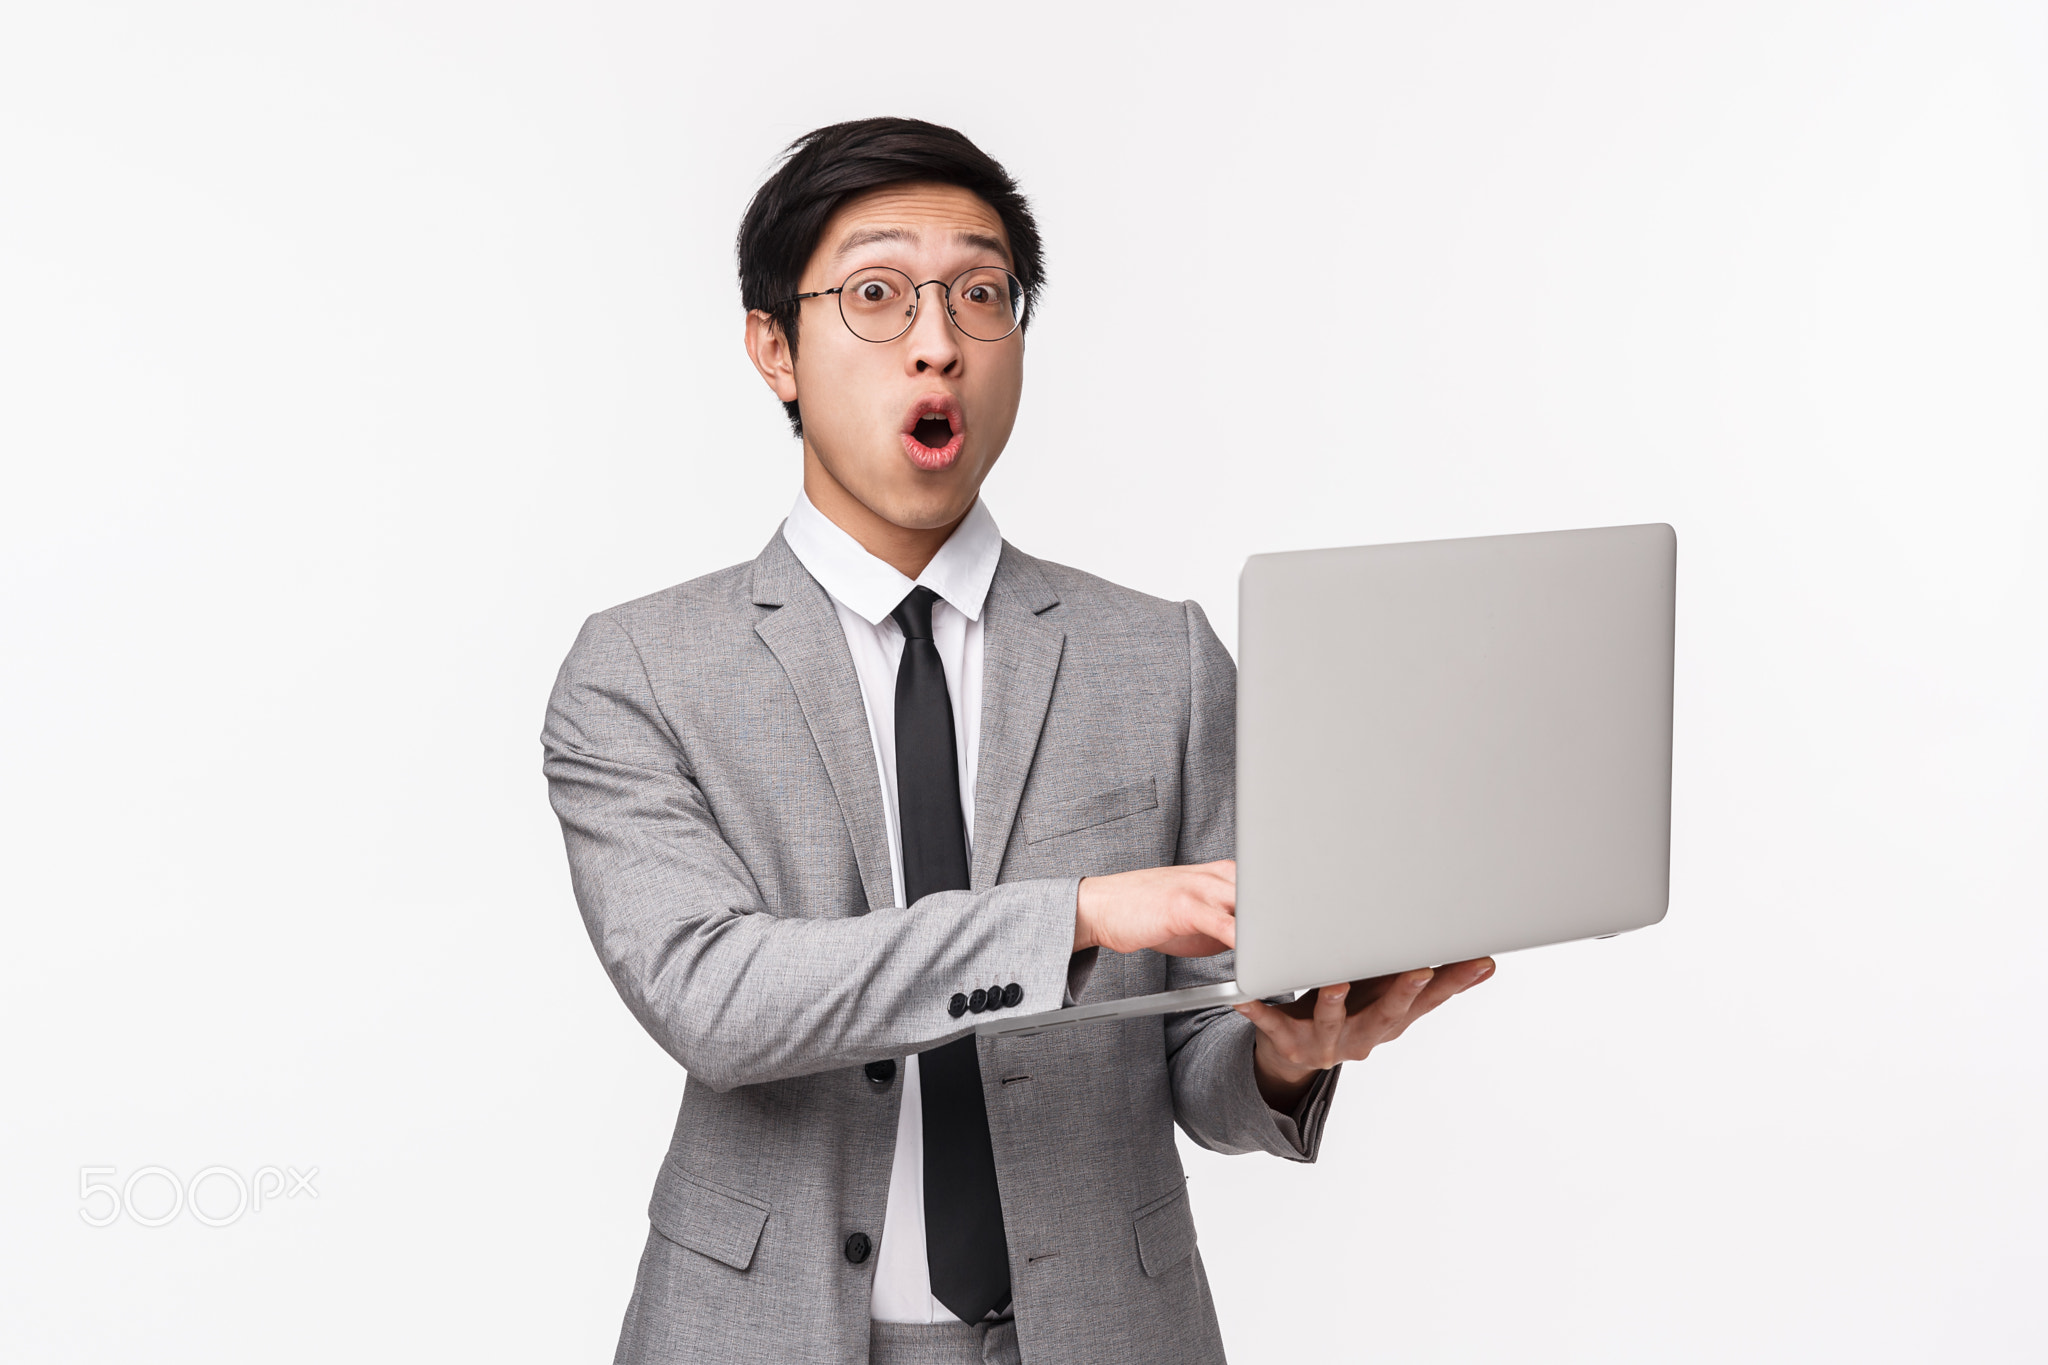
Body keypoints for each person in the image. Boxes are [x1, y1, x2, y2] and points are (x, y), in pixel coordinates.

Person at [541, 116, 1494, 1365]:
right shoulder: (640, 671)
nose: (936, 341)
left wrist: (1286, 1056)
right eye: (876, 294)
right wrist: (1079, 915)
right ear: (774, 348)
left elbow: (1198, 1063)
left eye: (979, 295)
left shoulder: (1161, 658)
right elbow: (716, 1002)